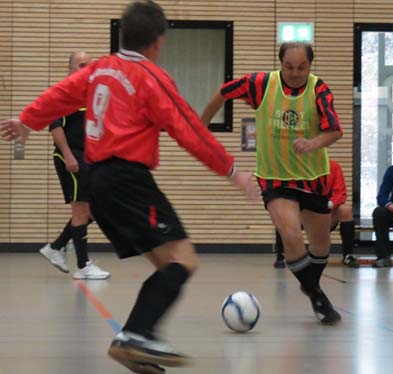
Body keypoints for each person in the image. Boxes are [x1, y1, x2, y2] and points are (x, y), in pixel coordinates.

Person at [0, 1, 259, 372]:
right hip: (128, 180)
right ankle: (135, 334)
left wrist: (27, 120)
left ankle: (137, 340)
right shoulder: (151, 78)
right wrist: (232, 171)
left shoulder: (98, 70)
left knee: (165, 265)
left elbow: (60, 94)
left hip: (98, 182)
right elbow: (189, 129)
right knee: (184, 259)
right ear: (157, 42)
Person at [201, 42, 343, 324]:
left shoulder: (319, 90)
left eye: (302, 67)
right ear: (280, 64)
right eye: (289, 67)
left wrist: (314, 142)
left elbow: (335, 130)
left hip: (313, 176)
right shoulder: (262, 84)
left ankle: (309, 282)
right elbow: (224, 91)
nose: (295, 73)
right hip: (274, 177)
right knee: (290, 234)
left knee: (321, 245)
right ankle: (317, 296)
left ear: (310, 66)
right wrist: (201, 124)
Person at [38, 51, 110, 280]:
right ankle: (83, 266)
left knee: (96, 208)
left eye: (88, 65)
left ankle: (56, 247)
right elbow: (55, 127)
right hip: (70, 157)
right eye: (80, 65)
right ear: (69, 68)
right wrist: (68, 156)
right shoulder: (63, 93)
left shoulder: (90, 95)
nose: (85, 68)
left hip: (88, 157)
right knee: (81, 209)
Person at [273, 159, 358, 269]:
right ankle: (281, 255)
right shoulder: (296, 167)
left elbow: (340, 193)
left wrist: (328, 205)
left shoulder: (333, 166)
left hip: (326, 211)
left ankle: (348, 255)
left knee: (345, 210)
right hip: (301, 212)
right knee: (283, 212)